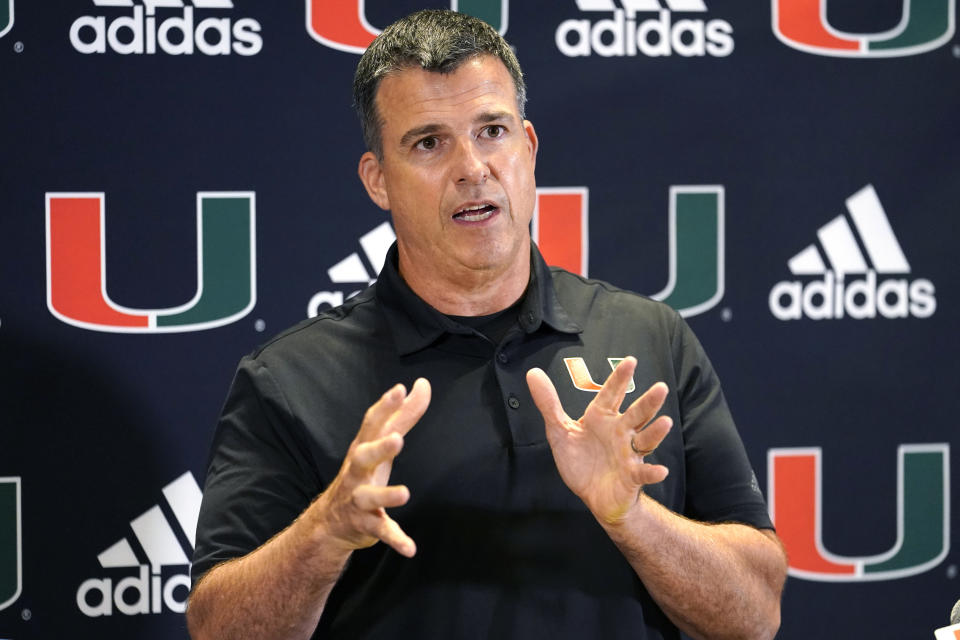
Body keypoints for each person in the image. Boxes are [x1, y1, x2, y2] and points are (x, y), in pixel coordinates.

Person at [186, 9, 787, 640]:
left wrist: (632, 516)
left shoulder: (649, 338)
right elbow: (218, 628)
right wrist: (326, 531)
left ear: (528, 149)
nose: (472, 167)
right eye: (429, 142)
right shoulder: (289, 379)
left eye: (491, 130)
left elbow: (754, 616)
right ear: (377, 180)